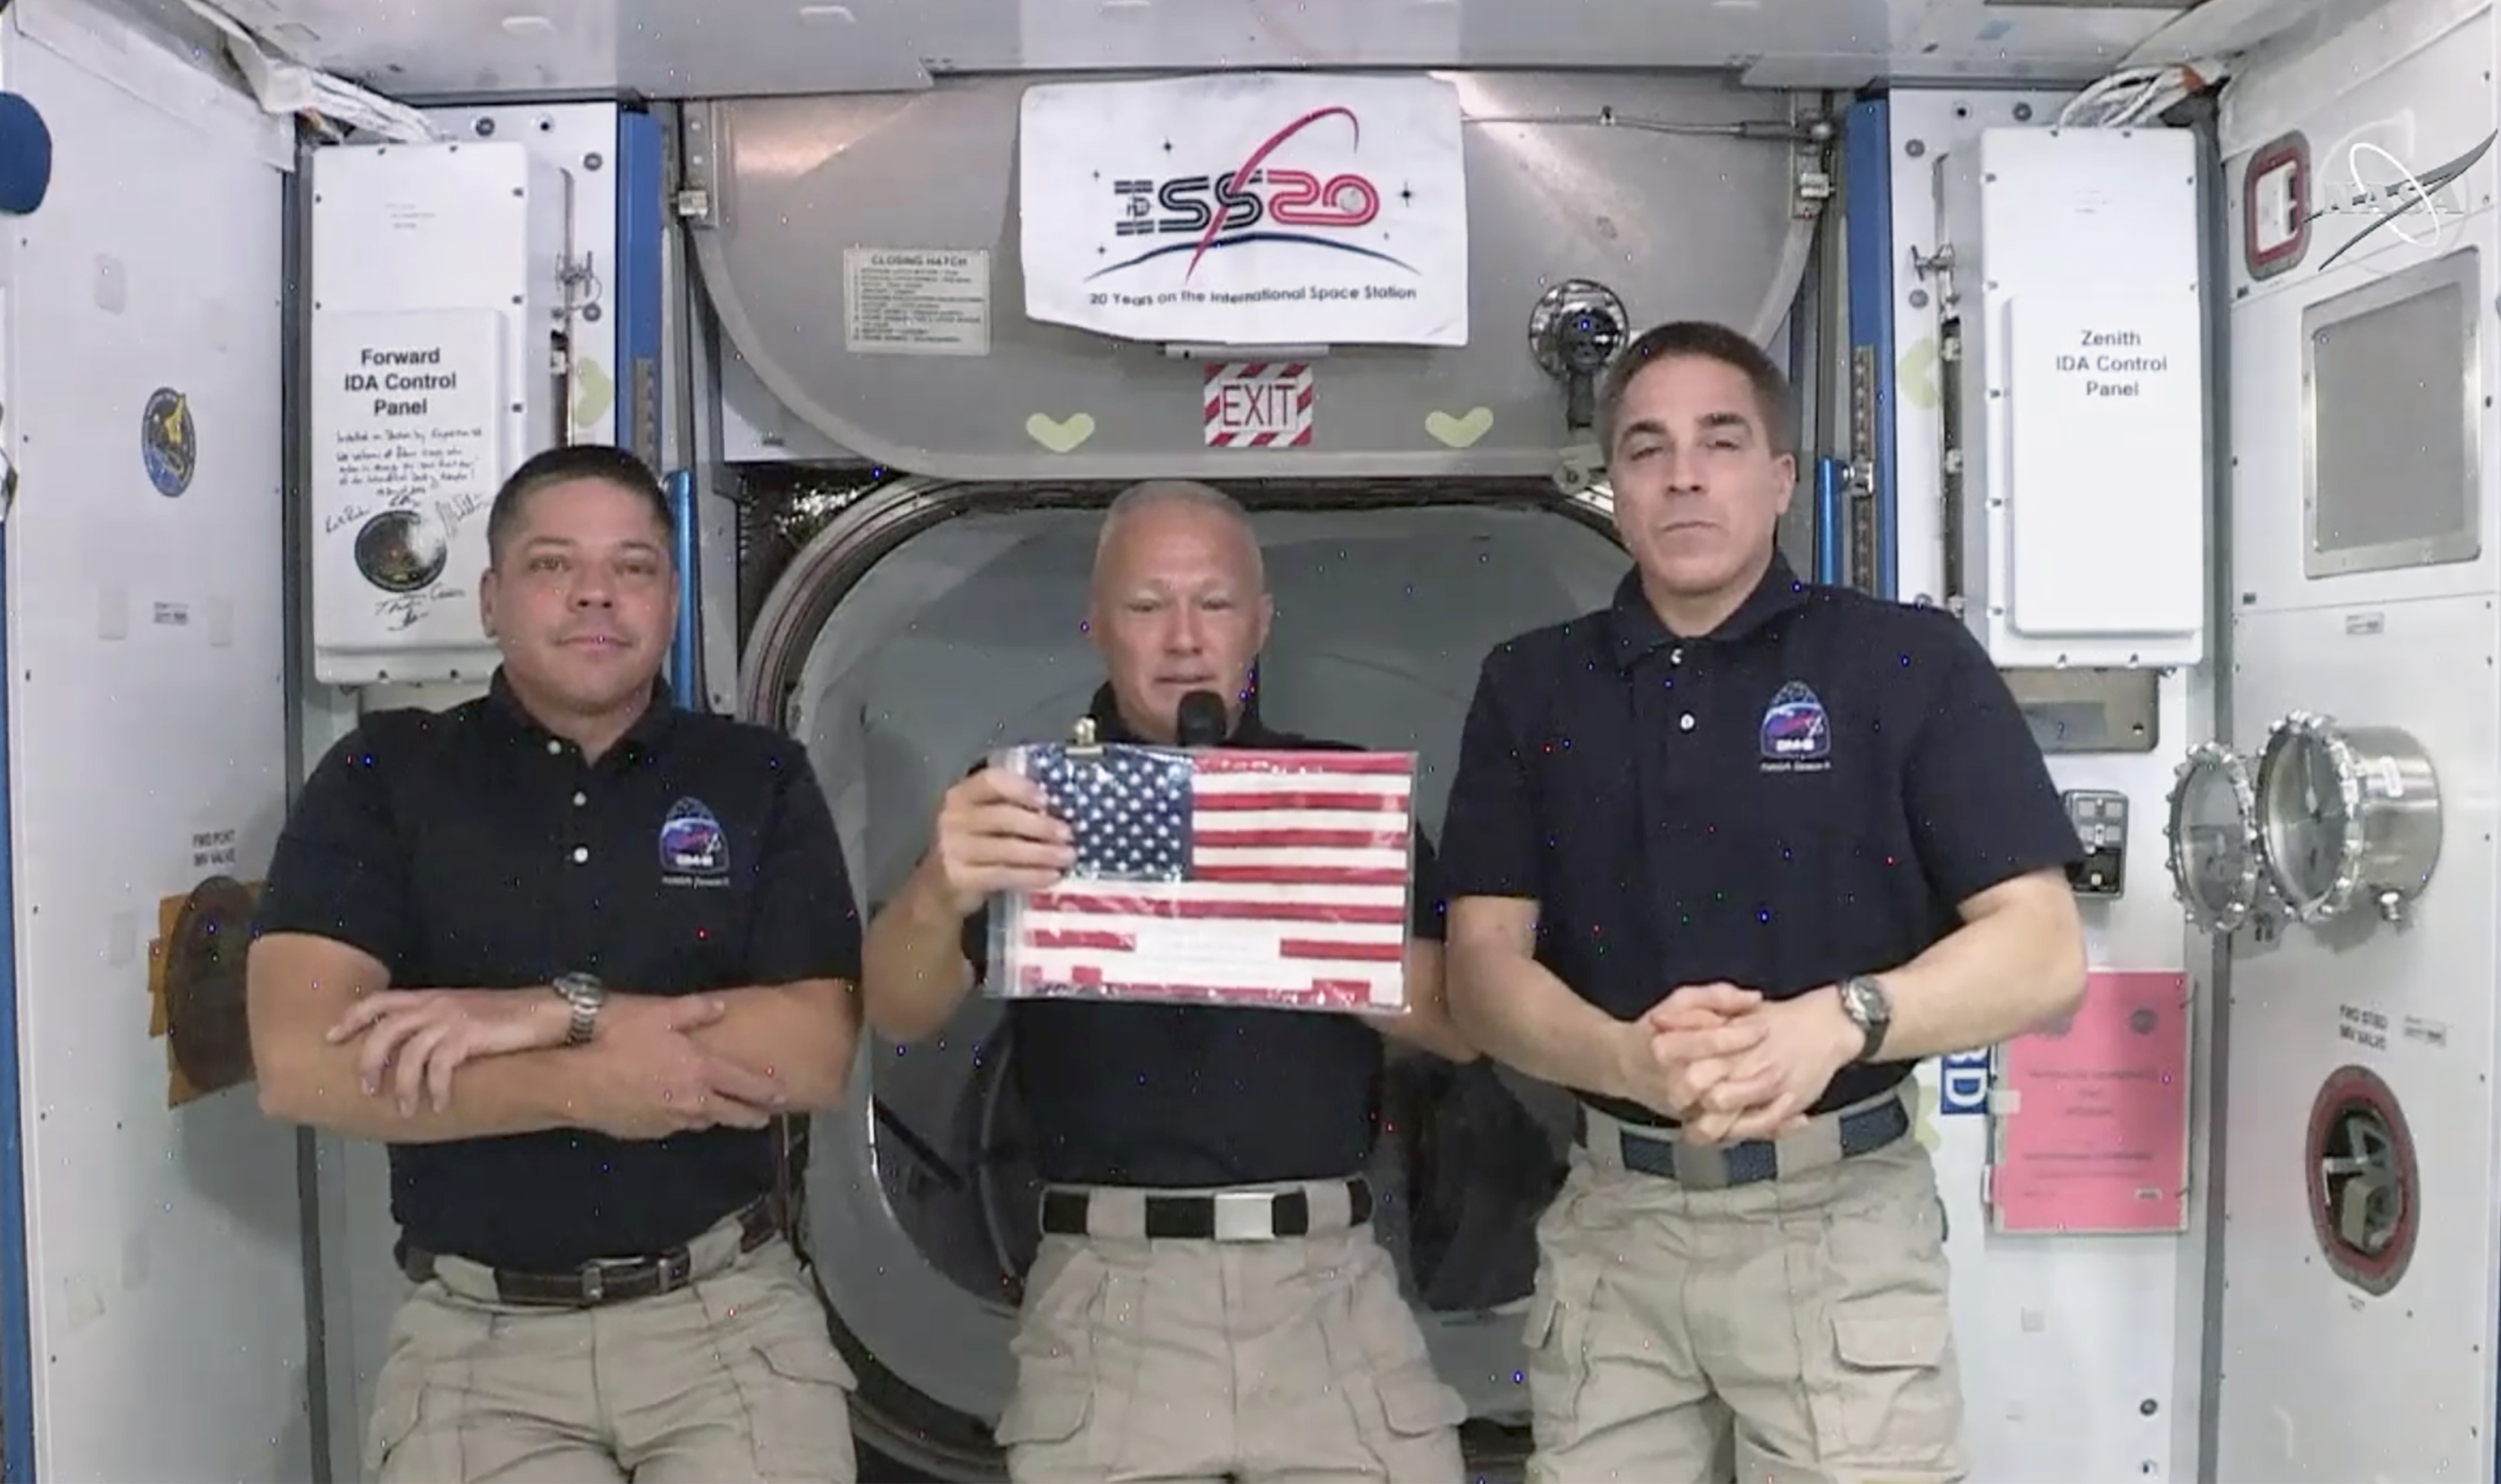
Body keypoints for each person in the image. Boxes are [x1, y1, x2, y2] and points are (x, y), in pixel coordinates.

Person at [1437, 320, 2089, 1484]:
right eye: (1646, 447)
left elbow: (2040, 951)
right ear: (1613, 482)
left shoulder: (1907, 663)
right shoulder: (1529, 683)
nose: (1683, 473)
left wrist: (1836, 1021)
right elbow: (1482, 970)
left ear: (1780, 476)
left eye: (1720, 441)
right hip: (1613, 1231)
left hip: (1841, 1225)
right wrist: (1623, 1059)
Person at [248, 443, 867, 1484]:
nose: (595, 593)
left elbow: (809, 1051)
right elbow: (304, 1058)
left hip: (728, 1324)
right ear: (491, 598)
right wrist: (598, 1076)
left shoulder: (756, 775)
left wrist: (550, 1009)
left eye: (632, 566)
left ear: (670, 598)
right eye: (551, 564)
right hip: (479, 1348)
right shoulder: (381, 773)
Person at [860, 480, 1479, 1483]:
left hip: (1327, 1287)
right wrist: (939, 886)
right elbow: (897, 1006)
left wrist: (1306, 934)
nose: (1184, 638)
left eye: (1215, 603)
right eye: (1148, 606)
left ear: (1260, 624)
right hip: (1110, 1300)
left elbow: (1461, 1026)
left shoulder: (1339, 804)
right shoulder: (1022, 797)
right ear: (1096, 624)